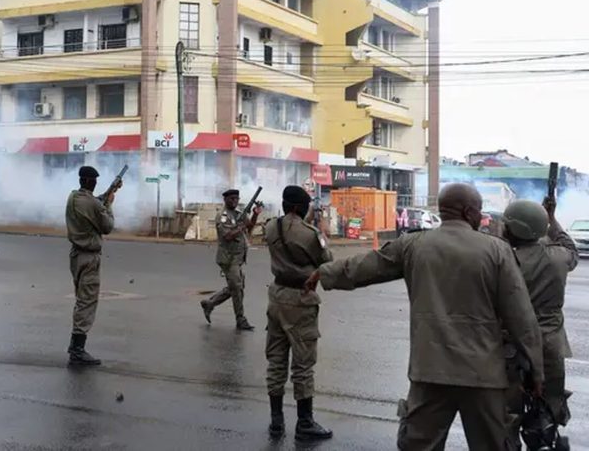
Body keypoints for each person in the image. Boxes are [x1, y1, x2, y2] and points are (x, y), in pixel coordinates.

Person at [304, 183, 544, 450]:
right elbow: (522, 318)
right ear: (468, 212)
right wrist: (536, 370)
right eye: (478, 211)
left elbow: (367, 266)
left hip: (430, 372)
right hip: (483, 375)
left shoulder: (414, 244)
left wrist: (325, 272)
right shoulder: (497, 251)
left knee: (419, 445)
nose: (481, 217)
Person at [502, 198, 578, 449]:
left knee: (507, 414)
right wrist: (552, 218)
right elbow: (568, 245)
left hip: (511, 346)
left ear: (513, 229)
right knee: (548, 407)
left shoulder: (504, 260)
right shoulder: (559, 257)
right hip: (550, 345)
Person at [264, 186, 334, 441]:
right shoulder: (310, 234)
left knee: (276, 360)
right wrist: (321, 230)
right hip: (300, 299)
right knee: (303, 364)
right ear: (298, 208)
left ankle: (276, 421)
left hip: (277, 295)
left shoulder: (271, 226)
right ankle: (304, 422)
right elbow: (328, 260)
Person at [65, 165, 119, 366]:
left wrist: (108, 194)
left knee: (81, 298)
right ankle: (77, 349)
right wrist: (110, 204)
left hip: (76, 255)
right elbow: (107, 226)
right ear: (90, 181)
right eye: (94, 181)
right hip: (89, 257)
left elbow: (92, 203)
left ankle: (75, 346)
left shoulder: (73, 197)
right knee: (87, 302)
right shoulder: (94, 205)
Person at [199, 189, 262, 331]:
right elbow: (227, 236)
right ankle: (241, 319)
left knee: (236, 287)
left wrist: (255, 214)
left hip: (238, 257)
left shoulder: (239, 214)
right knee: (237, 288)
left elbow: (250, 226)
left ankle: (210, 303)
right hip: (228, 258)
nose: (234, 201)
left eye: (236, 198)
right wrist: (241, 227)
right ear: (225, 200)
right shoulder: (223, 216)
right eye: (231, 198)